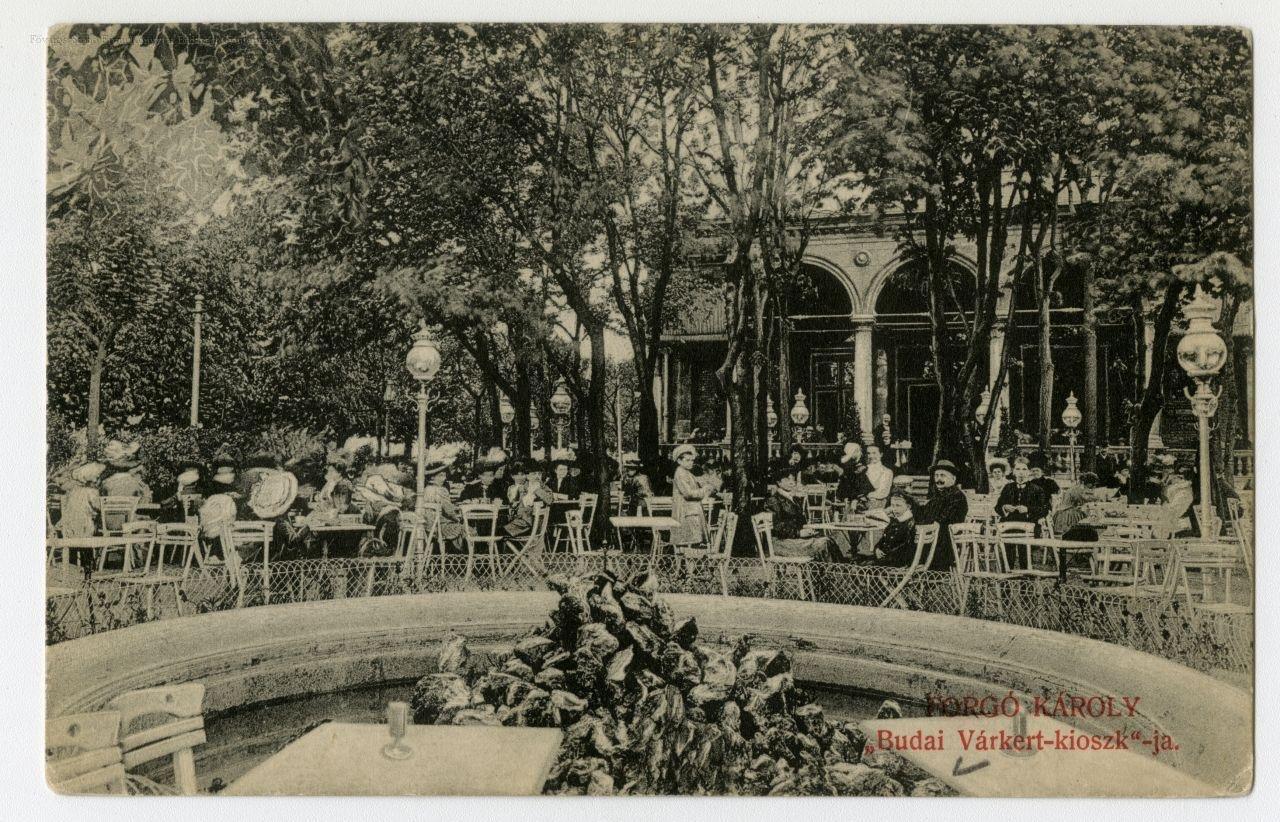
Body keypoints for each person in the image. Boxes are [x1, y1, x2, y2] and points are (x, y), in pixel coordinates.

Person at [764, 471, 843, 561]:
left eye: (793, 479)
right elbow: (778, 527)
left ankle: (837, 568)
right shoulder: (773, 501)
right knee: (824, 544)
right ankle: (835, 568)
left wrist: (807, 530)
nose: (791, 482)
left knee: (828, 541)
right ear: (779, 483)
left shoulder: (793, 499)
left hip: (794, 539)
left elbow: (800, 521)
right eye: (787, 479)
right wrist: (799, 533)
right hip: (781, 543)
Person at [918, 460, 968, 571]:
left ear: (953, 479)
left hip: (946, 541)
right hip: (932, 537)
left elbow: (944, 518)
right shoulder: (938, 496)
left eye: (942, 475)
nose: (938, 479)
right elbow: (923, 514)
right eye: (936, 476)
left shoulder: (956, 496)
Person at [855, 491, 917, 567]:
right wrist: (877, 549)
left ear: (908, 506)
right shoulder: (895, 521)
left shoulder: (909, 523)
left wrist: (886, 554)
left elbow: (905, 547)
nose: (894, 509)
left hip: (897, 561)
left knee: (863, 566)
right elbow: (883, 539)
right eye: (892, 506)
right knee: (857, 561)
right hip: (886, 558)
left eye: (898, 505)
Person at [670, 444, 711, 548]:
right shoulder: (681, 473)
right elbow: (688, 494)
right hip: (686, 512)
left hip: (690, 510)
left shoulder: (686, 472)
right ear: (679, 461)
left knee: (693, 542)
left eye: (692, 460)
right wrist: (703, 490)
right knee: (690, 542)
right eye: (687, 460)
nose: (691, 462)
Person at [420, 460, 465, 552]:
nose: (443, 478)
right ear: (432, 477)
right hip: (439, 527)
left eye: (444, 475)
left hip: (428, 526)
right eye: (440, 476)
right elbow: (449, 511)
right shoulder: (441, 490)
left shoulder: (426, 489)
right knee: (467, 529)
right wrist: (458, 518)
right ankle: (463, 556)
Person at [995, 456, 1050, 528]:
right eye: (1018, 469)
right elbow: (997, 507)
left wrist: (1028, 509)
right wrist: (1004, 507)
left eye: (1024, 469)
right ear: (1013, 472)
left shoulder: (1037, 489)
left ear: (1029, 472)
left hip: (1030, 523)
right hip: (1009, 524)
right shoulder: (1008, 487)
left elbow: (1044, 509)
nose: (1021, 472)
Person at [504, 461, 554, 540]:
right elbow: (515, 504)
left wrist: (537, 490)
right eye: (534, 474)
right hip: (519, 522)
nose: (537, 476)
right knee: (495, 530)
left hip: (532, 525)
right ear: (527, 476)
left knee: (497, 532)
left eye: (539, 474)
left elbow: (550, 500)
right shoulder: (522, 488)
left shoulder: (543, 487)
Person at [60, 461, 106, 538]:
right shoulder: (92, 491)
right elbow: (99, 507)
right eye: (97, 475)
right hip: (84, 526)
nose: (98, 477)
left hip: (68, 526)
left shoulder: (72, 490)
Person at [1054, 472, 1099, 542]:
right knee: (1085, 522)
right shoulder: (1076, 489)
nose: (1093, 486)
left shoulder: (1078, 487)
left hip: (1069, 511)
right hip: (1067, 514)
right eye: (1092, 484)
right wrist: (1097, 498)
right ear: (1086, 482)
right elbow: (1083, 498)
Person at [836, 441, 874, 509]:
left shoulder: (855, 461)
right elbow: (848, 471)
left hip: (852, 483)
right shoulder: (846, 461)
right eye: (856, 451)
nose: (858, 453)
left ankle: (858, 500)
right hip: (849, 483)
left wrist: (862, 468)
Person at [864, 444, 894, 509]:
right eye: (869, 453)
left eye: (874, 453)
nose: (871, 456)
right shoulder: (863, 470)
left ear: (881, 454)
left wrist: (867, 495)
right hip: (861, 504)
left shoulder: (887, 472)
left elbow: (883, 492)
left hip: (880, 505)